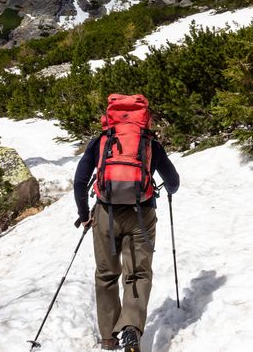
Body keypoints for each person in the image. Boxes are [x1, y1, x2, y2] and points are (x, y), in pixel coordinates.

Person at [73, 108, 180, 352]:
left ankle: (109, 337)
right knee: (138, 273)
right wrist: (170, 191)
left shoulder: (102, 141)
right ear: (143, 117)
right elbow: (173, 180)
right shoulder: (149, 142)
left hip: (105, 213)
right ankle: (131, 327)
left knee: (106, 274)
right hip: (141, 214)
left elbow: (80, 181)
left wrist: (83, 214)